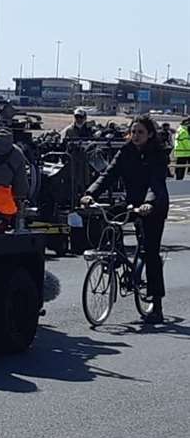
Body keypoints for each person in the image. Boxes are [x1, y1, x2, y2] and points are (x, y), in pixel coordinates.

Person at [82, 115, 170, 321]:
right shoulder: (125, 151)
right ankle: (115, 254)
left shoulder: (157, 154)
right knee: (107, 217)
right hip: (132, 203)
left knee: (150, 252)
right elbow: (108, 174)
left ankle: (156, 305)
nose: (136, 136)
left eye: (140, 132)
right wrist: (90, 193)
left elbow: (156, 183)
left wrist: (149, 203)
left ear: (149, 134)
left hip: (153, 206)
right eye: (133, 132)